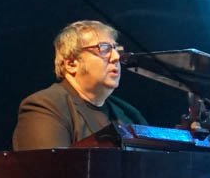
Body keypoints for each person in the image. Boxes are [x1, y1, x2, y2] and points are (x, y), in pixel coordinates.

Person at [13, 20, 144, 150]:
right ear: (71, 64)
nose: (116, 57)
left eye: (116, 49)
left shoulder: (130, 114)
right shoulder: (45, 107)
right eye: (103, 48)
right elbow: (48, 163)